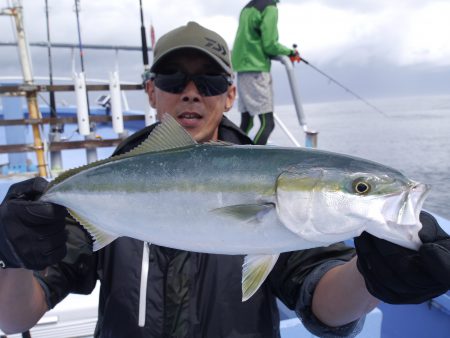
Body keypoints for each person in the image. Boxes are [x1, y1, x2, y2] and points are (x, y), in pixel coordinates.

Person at [0, 21, 449, 338]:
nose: (191, 91)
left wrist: (374, 277)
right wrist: (13, 254)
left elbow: (324, 302)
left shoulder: (289, 208)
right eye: (174, 78)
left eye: (210, 80)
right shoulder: (106, 182)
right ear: (151, 92)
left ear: (231, 94)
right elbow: (14, 319)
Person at [232, 0, 297, 145]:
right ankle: (254, 162)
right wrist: (291, 52)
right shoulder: (269, 7)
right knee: (268, 124)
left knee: (247, 122)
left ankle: (236, 156)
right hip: (256, 70)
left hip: (242, 70)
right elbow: (270, 45)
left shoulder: (248, 7)